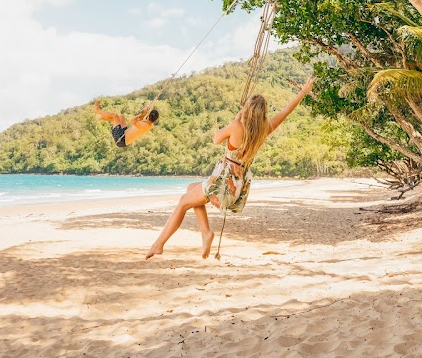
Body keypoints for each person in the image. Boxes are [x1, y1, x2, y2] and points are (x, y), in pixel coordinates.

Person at [145, 77, 315, 260]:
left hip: (223, 182)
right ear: (263, 113)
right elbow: (286, 111)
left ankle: (158, 244)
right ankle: (206, 233)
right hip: (237, 185)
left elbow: (216, 139)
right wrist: (303, 91)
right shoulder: (265, 128)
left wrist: (237, 117)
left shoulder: (236, 126)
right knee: (190, 189)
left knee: (183, 202)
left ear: (247, 110)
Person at [95, 100, 159, 148]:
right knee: (121, 117)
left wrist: (142, 114)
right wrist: (145, 112)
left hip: (121, 139)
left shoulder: (145, 125)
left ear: (149, 116)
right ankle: (102, 118)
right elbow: (140, 119)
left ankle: (97, 110)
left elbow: (132, 120)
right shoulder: (149, 123)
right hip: (124, 134)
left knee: (115, 116)